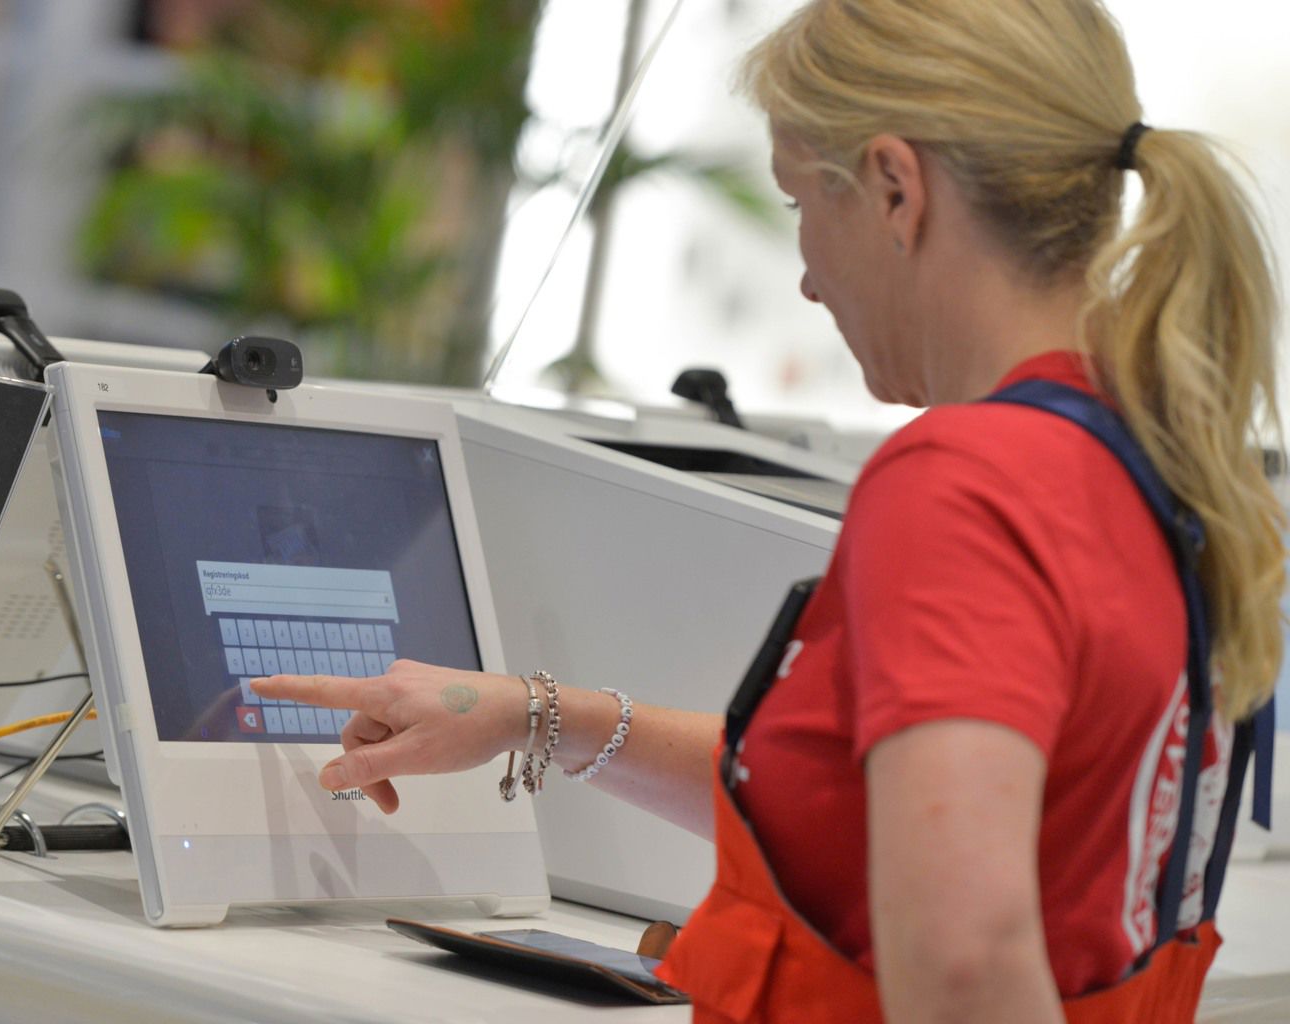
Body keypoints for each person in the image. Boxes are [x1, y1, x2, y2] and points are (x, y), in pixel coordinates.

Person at [255, 0, 1286, 1020]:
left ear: (894, 187)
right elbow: (871, 811)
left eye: (801, 204)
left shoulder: (963, 488)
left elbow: (964, 963)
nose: (804, 279)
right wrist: (534, 717)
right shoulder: (1146, 468)